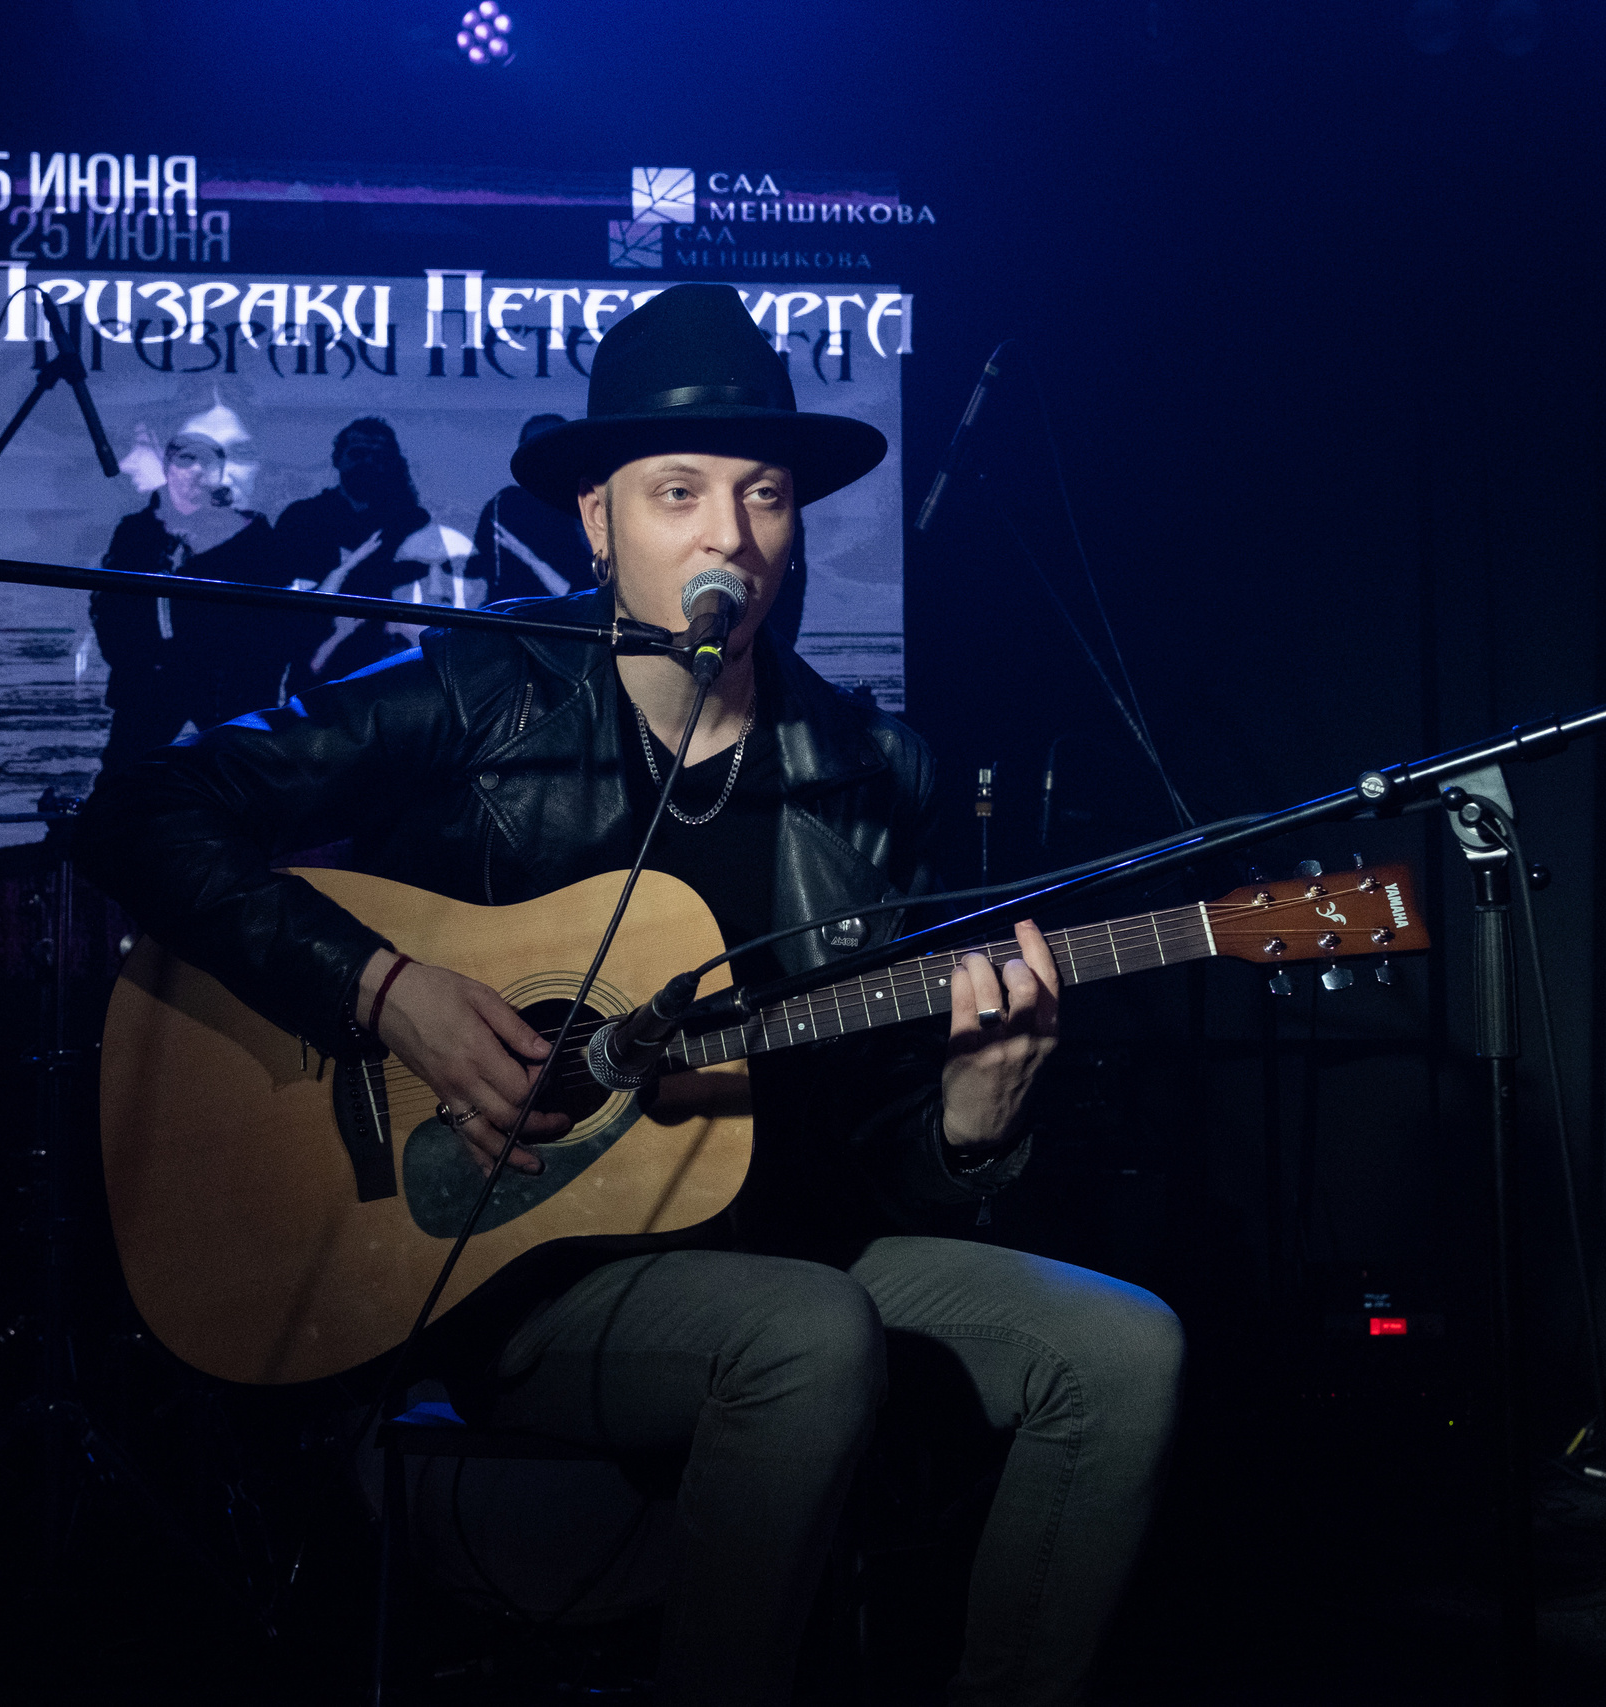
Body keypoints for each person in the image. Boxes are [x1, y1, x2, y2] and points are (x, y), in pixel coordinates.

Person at [74, 286, 1181, 1706]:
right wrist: (385, 988)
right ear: (598, 522)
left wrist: (965, 1126)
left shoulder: (870, 770)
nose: (730, 533)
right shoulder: (482, 688)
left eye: (765, 495)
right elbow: (143, 808)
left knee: (1124, 1345)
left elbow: (863, 1147)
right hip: (497, 1268)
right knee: (806, 1332)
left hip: (786, 1248)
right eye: (679, 492)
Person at [90, 403, 288, 777]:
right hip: (150, 683)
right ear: (168, 466)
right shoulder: (137, 531)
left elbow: (273, 619)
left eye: (207, 462)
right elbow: (108, 606)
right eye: (186, 460)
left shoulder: (252, 535)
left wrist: (249, 676)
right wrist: (137, 661)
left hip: (227, 687)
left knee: (242, 777)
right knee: (124, 778)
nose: (197, 472)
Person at [269, 415, 436, 691]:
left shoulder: (411, 521)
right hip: (314, 660)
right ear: (338, 458)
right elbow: (281, 591)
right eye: (359, 453)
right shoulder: (302, 517)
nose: (369, 463)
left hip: (389, 664)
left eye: (379, 455)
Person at [467, 413, 597, 603]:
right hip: (515, 621)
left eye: (556, 445)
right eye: (537, 447)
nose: (547, 455)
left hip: (578, 621)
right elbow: (484, 570)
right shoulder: (504, 506)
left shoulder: (589, 501)